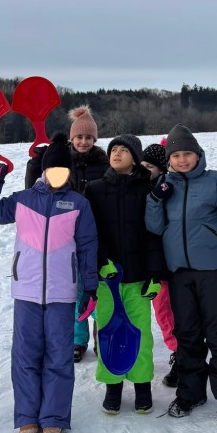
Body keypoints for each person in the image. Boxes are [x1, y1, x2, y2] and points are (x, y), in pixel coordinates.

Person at [0, 132, 99, 433]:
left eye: (63, 170)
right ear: (44, 170)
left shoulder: (78, 204)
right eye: (52, 169)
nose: (58, 174)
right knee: (26, 355)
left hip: (62, 293)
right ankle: (27, 416)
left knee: (59, 356)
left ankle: (54, 416)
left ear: (69, 172)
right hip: (27, 292)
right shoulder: (24, 200)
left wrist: (90, 288)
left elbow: (88, 247)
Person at [145, 124, 217, 425]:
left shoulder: (215, 181)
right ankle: (190, 393)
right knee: (187, 334)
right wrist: (155, 198)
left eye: (187, 154)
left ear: (198, 155)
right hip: (179, 272)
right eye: (176, 155)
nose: (182, 160)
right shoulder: (165, 184)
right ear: (169, 159)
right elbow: (155, 227)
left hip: (213, 270)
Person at [85, 135, 166, 414]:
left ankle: (142, 385)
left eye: (123, 150)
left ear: (135, 157)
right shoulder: (94, 189)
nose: (117, 153)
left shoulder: (147, 189)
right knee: (107, 331)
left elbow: (154, 234)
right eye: (113, 149)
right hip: (107, 280)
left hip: (138, 278)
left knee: (140, 333)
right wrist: (101, 261)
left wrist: (154, 274)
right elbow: (89, 232)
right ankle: (113, 386)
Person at [25, 105, 108, 362]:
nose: (84, 142)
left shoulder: (104, 163)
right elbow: (34, 190)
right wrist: (36, 163)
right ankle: (77, 339)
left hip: (97, 235)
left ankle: (102, 337)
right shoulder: (60, 161)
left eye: (88, 137)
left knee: (97, 290)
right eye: (79, 137)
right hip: (66, 237)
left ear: (95, 139)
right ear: (72, 138)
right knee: (74, 290)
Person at [141, 140, 179, 388]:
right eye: (142, 165)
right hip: (146, 263)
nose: (145, 170)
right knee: (161, 311)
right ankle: (176, 349)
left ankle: (181, 352)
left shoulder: (168, 188)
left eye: (150, 167)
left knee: (172, 310)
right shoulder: (136, 186)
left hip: (168, 262)